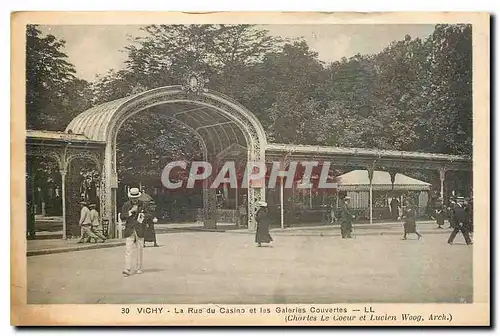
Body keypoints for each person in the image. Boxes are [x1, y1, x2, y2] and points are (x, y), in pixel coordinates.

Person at [121, 188, 147, 276]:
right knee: (128, 249)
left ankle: (139, 267)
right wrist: (130, 212)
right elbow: (122, 216)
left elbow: (149, 214)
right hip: (130, 229)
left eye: (136, 198)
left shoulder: (143, 204)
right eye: (133, 198)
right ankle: (127, 269)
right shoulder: (126, 205)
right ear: (130, 198)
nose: (134, 199)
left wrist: (144, 216)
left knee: (140, 249)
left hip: (140, 228)